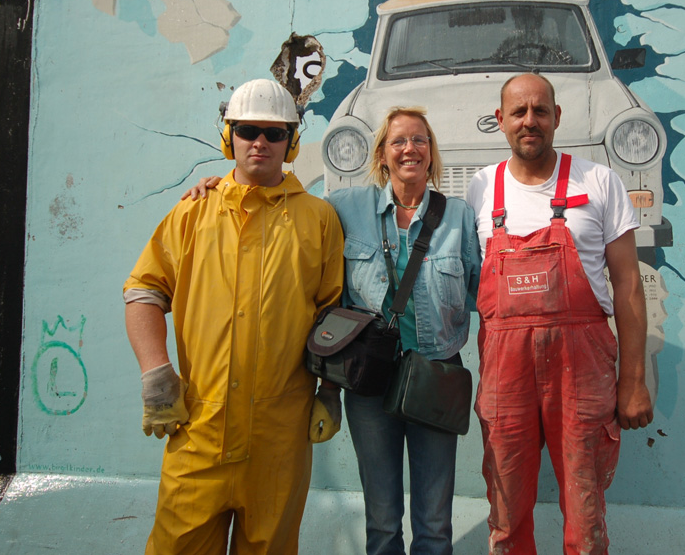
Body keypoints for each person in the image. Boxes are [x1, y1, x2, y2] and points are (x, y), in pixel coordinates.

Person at [184, 106, 481, 555]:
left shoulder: (458, 215)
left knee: (436, 523)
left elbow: (484, 292)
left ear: (431, 152)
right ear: (381, 154)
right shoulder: (345, 207)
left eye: (419, 140)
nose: (410, 149)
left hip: (437, 380)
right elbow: (283, 206)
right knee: (382, 521)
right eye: (398, 141)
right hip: (369, 386)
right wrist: (222, 185)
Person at [124, 78, 344, 555]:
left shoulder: (319, 220)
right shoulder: (191, 214)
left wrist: (330, 391)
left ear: (293, 141)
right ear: (229, 138)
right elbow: (143, 291)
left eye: (274, 132)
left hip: (280, 440)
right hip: (198, 430)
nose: (260, 142)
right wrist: (156, 375)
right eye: (247, 130)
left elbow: (333, 314)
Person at [465, 73, 653, 554]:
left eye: (540, 110)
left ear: (557, 117)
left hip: (583, 371)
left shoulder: (599, 181)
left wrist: (632, 381)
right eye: (519, 112)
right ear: (500, 120)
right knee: (506, 514)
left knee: (585, 513)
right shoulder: (482, 190)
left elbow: (629, 286)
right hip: (506, 374)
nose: (530, 121)